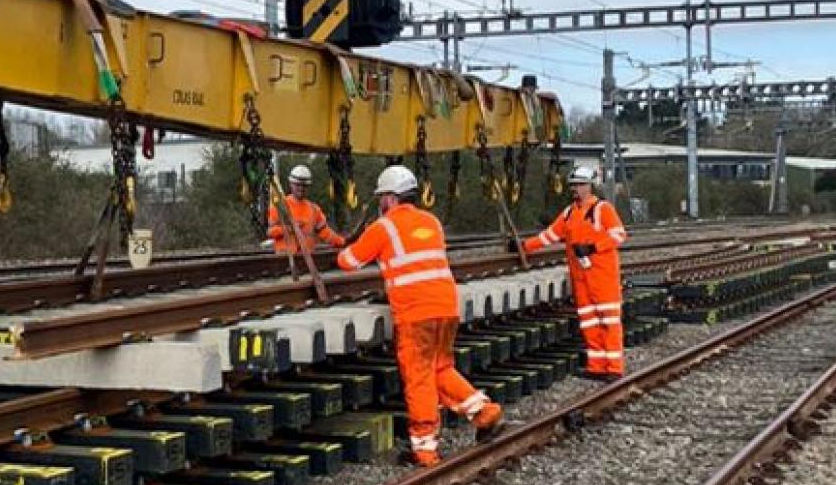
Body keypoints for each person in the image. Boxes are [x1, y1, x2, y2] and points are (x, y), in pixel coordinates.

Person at [337, 164, 503, 466]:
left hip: (416, 313)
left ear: (390, 197)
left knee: (419, 376)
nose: (380, 203)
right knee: (440, 367)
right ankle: (484, 412)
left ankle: (424, 449)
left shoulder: (384, 227)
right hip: (446, 306)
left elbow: (348, 261)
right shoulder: (432, 221)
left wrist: (350, 242)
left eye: (381, 198)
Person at [522, 163, 628, 379]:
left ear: (590, 186)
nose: (575, 189)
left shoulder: (602, 209)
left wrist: (593, 247)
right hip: (581, 276)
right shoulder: (569, 213)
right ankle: (597, 366)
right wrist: (524, 246)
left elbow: (619, 235)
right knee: (589, 321)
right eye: (574, 185)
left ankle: (614, 368)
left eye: (580, 185)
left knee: (608, 321)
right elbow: (550, 235)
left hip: (602, 275)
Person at [266, 163, 346, 257]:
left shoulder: (314, 209)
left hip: (308, 260)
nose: (301, 188)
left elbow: (325, 232)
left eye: (304, 185)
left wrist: (342, 242)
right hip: (284, 261)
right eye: (298, 185)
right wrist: (290, 228)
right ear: (291, 184)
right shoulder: (280, 207)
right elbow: (270, 232)